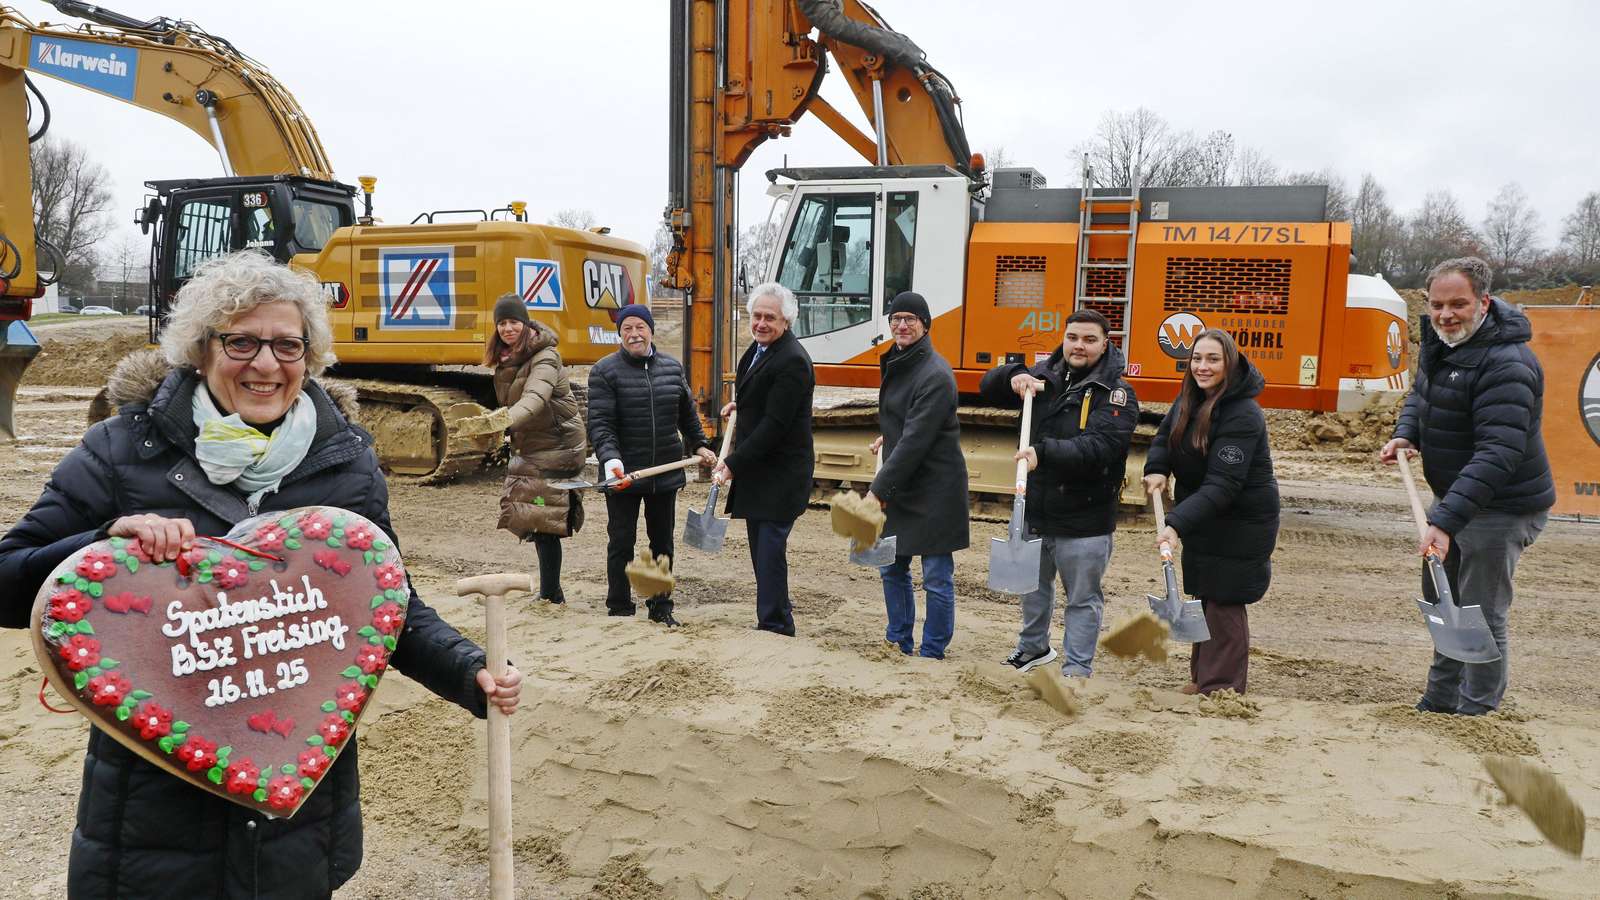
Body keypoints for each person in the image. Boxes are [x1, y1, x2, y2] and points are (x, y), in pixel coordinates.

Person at [0, 251, 521, 898]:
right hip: (153, 811)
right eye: (242, 341)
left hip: (294, 814)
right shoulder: (121, 450)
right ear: (200, 349)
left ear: (310, 356)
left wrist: (468, 670)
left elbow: (384, 600)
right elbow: (8, 579)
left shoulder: (345, 462)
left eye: (287, 345)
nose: (267, 364)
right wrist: (103, 547)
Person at [1379, 256, 1553, 716]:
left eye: (1458, 304)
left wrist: (1445, 520)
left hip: (1500, 507)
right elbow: (1422, 391)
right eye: (1437, 305)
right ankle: (1439, 700)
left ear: (1484, 302)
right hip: (1458, 499)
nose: (1445, 315)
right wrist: (1407, 432)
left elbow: (1499, 452)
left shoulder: (1508, 364)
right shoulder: (1444, 344)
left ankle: (1477, 712)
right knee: (1444, 600)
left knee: (1480, 612)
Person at [979, 308, 1137, 676]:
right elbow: (988, 386)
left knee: (1082, 598)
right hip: (1037, 510)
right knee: (1033, 588)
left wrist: (1043, 452)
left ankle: (1077, 668)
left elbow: (1100, 447)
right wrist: (1015, 375)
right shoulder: (1045, 376)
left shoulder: (1116, 394)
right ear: (1064, 339)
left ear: (1104, 344)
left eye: (1089, 339)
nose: (1079, 346)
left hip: (1084, 517)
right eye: (1073, 338)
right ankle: (1034, 648)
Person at [1142, 328, 1277, 695]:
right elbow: (1164, 437)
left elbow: (1224, 484)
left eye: (1212, 359)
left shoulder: (1243, 413)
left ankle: (1222, 688)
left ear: (1229, 363)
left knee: (1225, 600)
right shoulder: (1189, 397)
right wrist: (1156, 468)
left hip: (1240, 520)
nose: (1202, 367)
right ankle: (1202, 677)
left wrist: (1176, 524)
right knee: (1205, 594)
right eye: (1197, 359)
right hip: (1205, 515)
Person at [587, 303, 716, 625]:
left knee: (662, 543)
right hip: (624, 474)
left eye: (639, 327)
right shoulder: (604, 371)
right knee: (621, 541)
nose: (634, 334)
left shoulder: (671, 368)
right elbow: (601, 424)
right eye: (627, 328)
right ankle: (619, 605)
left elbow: (686, 414)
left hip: (665, 472)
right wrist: (611, 459)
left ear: (650, 331)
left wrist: (699, 444)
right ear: (619, 334)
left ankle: (661, 606)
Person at [864, 292, 969, 659]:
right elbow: (907, 423)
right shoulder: (899, 360)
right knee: (891, 567)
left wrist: (877, 491)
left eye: (910, 319)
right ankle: (899, 640)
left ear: (925, 324)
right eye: (895, 318)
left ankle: (933, 650)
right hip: (904, 481)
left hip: (935, 487)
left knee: (937, 576)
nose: (901, 325)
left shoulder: (935, 373)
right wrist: (888, 436)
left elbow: (917, 438)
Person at [713, 282, 815, 637]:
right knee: (761, 549)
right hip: (763, 471)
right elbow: (763, 394)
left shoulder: (793, 361)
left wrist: (732, 462)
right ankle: (774, 616)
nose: (760, 323)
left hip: (780, 473)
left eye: (769, 317)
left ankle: (775, 625)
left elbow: (776, 424)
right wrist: (742, 405)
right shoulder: (761, 350)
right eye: (756, 316)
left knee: (770, 549)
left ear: (786, 321)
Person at [486, 292, 587, 605]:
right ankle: (551, 591)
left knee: (545, 520)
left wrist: (503, 420)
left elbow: (534, 397)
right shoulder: (506, 358)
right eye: (502, 323)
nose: (508, 328)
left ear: (525, 323)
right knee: (533, 516)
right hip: (533, 442)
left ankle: (551, 594)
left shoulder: (545, 357)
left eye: (514, 321)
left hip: (558, 444)